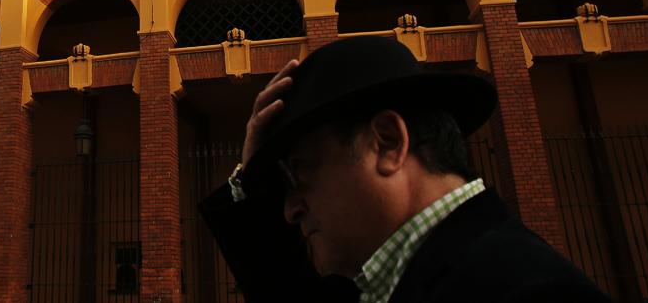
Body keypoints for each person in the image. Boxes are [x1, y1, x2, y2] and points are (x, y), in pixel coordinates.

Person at [199, 36, 610, 302]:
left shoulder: (530, 294)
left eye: (300, 172)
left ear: (388, 143)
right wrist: (252, 180)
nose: (290, 209)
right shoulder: (399, 277)